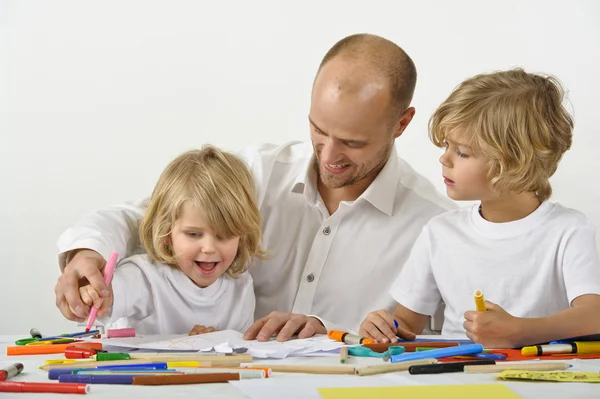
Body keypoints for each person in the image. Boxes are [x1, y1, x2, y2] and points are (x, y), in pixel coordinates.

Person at [54, 33, 454, 341]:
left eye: (353, 142)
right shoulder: (254, 173)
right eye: (318, 128)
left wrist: (329, 330)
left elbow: (439, 345)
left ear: (401, 123)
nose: (328, 154)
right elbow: (142, 216)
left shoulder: (433, 224)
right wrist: (85, 253)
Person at [359, 69, 600, 348]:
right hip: (456, 378)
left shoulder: (568, 230)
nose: (444, 158)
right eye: (447, 145)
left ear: (515, 163)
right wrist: (384, 327)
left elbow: (593, 316)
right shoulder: (440, 231)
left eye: (462, 152)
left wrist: (521, 331)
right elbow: (407, 324)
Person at [77, 146, 266, 334]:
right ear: (167, 233)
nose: (209, 248)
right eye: (194, 234)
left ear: (241, 237)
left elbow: (241, 349)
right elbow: (109, 298)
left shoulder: (241, 287)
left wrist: (211, 343)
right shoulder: (144, 277)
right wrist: (94, 295)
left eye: (224, 235)